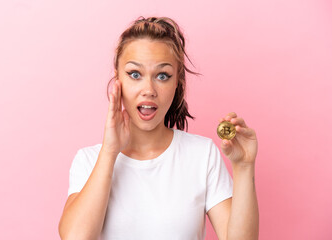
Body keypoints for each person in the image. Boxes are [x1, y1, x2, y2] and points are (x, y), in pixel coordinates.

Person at [58, 16, 259, 240]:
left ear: (177, 83)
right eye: (135, 74)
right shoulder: (88, 160)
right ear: (118, 80)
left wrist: (243, 167)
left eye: (162, 76)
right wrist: (109, 152)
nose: (149, 89)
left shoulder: (202, 154)